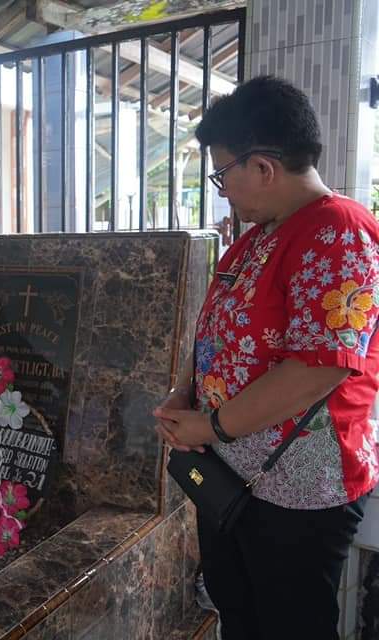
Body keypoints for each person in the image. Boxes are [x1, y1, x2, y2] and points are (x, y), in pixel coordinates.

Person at [153, 76, 379, 639]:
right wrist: (184, 394)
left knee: (290, 626)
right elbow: (215, 329)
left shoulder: (339, 232)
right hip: (232, 476)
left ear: (262, 166)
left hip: (298, 491)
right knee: (239, 616)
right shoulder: (256, 237)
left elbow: (319, 366)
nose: (222, 190)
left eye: (222, 173)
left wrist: (211, 425)